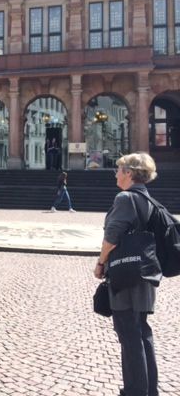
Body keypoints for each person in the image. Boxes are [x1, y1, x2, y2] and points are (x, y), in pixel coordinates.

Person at [94, 152, 160, 396]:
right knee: (142, 333)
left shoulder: (125, 198)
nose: (116, 174)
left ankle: (135, 391)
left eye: (118, 170)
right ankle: (149, 390)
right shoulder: (148, 198)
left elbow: (111, 237)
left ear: (129, 173)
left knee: (129, 335)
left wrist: (100, 263)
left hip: (125, 275)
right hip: (145, 274)